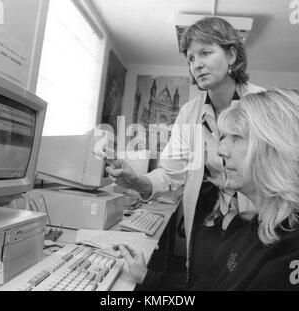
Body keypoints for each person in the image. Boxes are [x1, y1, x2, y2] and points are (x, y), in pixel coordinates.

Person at [116, 88, 299, 290]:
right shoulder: (253, 226)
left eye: (236, 138)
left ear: (280, 152)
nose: (221, 151)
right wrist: (147, 277)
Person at [106, 16, 263, 287]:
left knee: (244, 278)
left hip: (256, 215)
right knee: (201, 278)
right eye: (190, 58)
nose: (196, 64)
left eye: (206, 52)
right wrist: (136, 181)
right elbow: (170, 173)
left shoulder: (262, 105)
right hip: (210, 215)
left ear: (232, 55)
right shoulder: (190, 112)